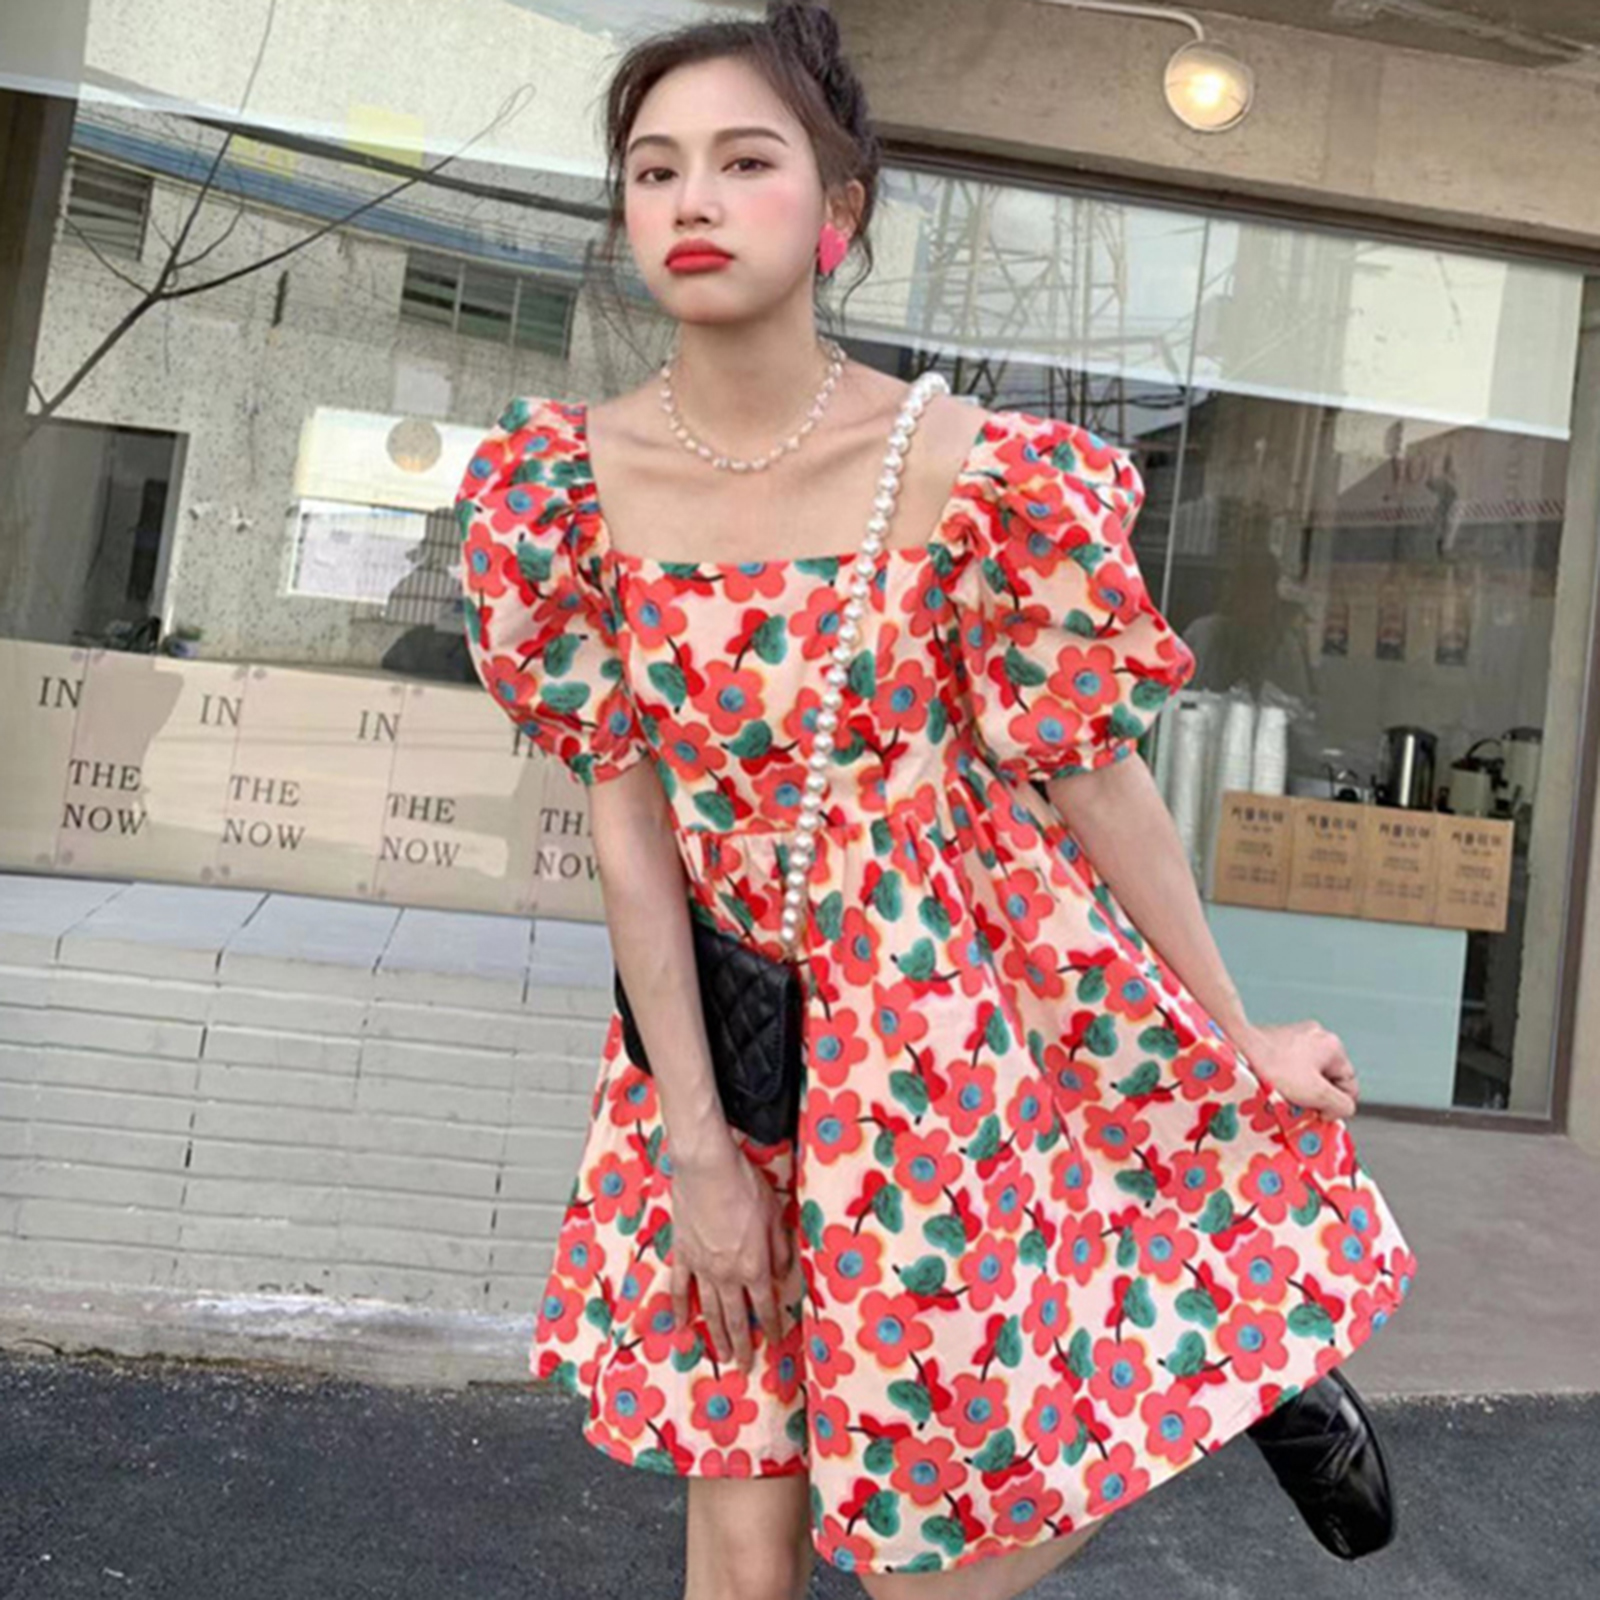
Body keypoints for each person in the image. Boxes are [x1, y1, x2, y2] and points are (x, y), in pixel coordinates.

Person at [455, 5, 1417, 1595]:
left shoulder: (970, 469)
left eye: (744, 163)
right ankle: (1206, 1374)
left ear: (837, 208)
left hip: (938, 1041)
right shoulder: (562, 489)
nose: (693, 202)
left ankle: (1221, 1377)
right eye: (655, 170)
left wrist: (1238, 1030)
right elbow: (628, 831)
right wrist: (696, 1149)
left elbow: (1095, 775)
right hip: (721, 1041)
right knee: (740, 1534)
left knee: (929, 1562)